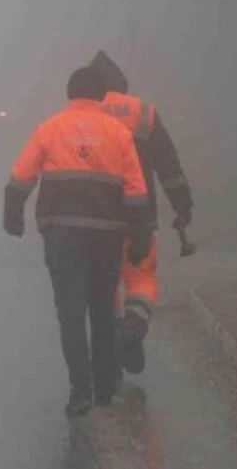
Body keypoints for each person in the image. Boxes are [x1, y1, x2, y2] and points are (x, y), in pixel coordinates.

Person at [4, 66, 152, 417]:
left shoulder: (49, 128)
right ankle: (104, 387)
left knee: (70, 314)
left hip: (62, 238)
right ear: (102, 96)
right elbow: (135, 190)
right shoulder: (118, 133)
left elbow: (20, 177)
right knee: (102, 310)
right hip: (106, 238)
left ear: (70, 93)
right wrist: (141, 234)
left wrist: (13, 216)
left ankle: (80, 391)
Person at [87, 51, 195, 377]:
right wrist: (182, 206)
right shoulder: (144, 113)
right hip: (140, 217)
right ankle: (132, 330)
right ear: (123, 84)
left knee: (106, 282)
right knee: (141, 278)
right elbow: (169, 166)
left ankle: (114, 335)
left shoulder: (83, 116)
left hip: (98, 218)